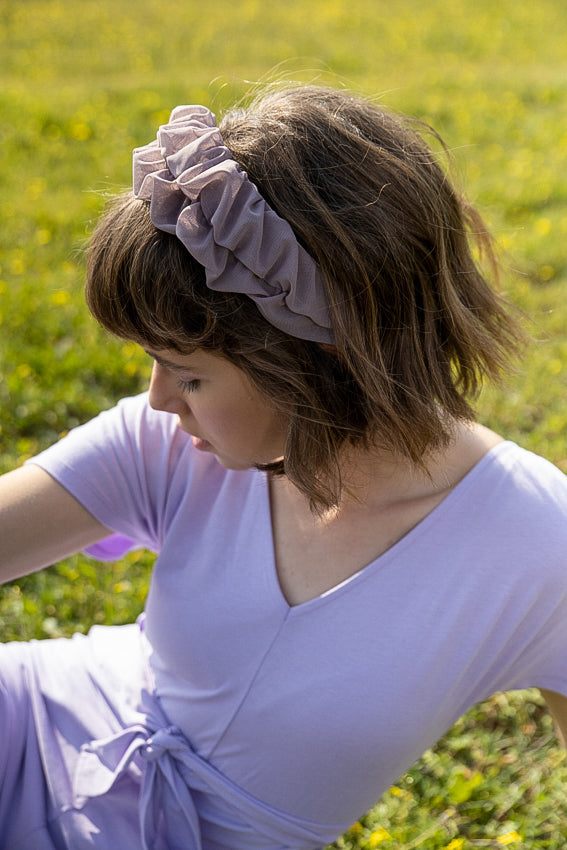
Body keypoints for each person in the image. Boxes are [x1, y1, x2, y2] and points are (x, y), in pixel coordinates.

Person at [0, 84, 566, 850]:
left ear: (317, 360)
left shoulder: (535, 545)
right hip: (35, 723)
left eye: (189, 373)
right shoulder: (163, 441)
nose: (158, 399)